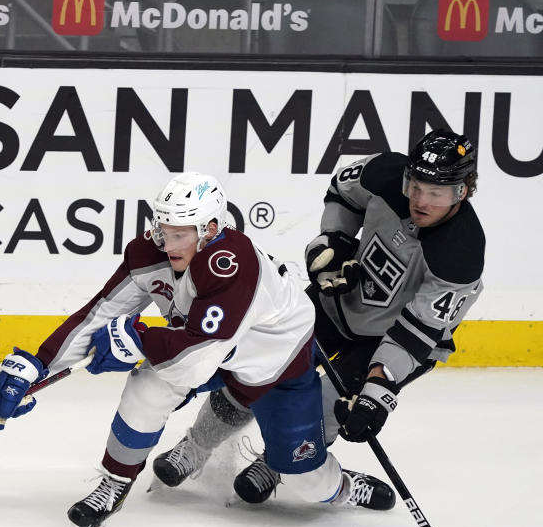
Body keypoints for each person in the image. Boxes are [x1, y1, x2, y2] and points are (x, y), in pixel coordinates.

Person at [0, 172, 395, 527]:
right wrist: (36, 366)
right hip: (215, 350)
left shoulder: (231, 264)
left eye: (180, 234)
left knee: (306, 481)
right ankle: (115, 480)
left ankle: (340, 487)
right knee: (147, 386)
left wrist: (139, 339)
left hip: (277, 362)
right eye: (162, 230)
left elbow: (198, 358)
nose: (167, 243)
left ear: (211, 229)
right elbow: (102, 312)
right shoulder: (151, 252)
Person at [153, 128, 485, 505]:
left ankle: (278, 464)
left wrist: (377, 393)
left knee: (327, 406)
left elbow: (415, 334)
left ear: (463, 191)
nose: (420, 200)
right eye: (415, 186)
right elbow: (344, 193)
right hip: (337, 303)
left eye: (436, 193)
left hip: (391, 339)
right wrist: (335, 242)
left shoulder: (463, 254)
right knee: (257, 370)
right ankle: (195, 446)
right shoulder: (386, 173)